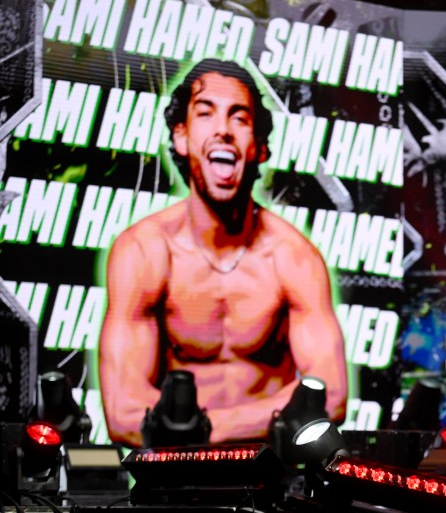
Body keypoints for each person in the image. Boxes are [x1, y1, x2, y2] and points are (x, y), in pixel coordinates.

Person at [99, 58, 348, 447]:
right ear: (180, 136)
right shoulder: (144, 252)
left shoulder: (293, 257)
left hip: (268, 484)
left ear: (259, 148)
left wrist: (190, 428)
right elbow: (123, 411)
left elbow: (329, 397)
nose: (222, 130)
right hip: (172, 484)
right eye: (205, 114)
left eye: (239, 118)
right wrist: (278, 413)